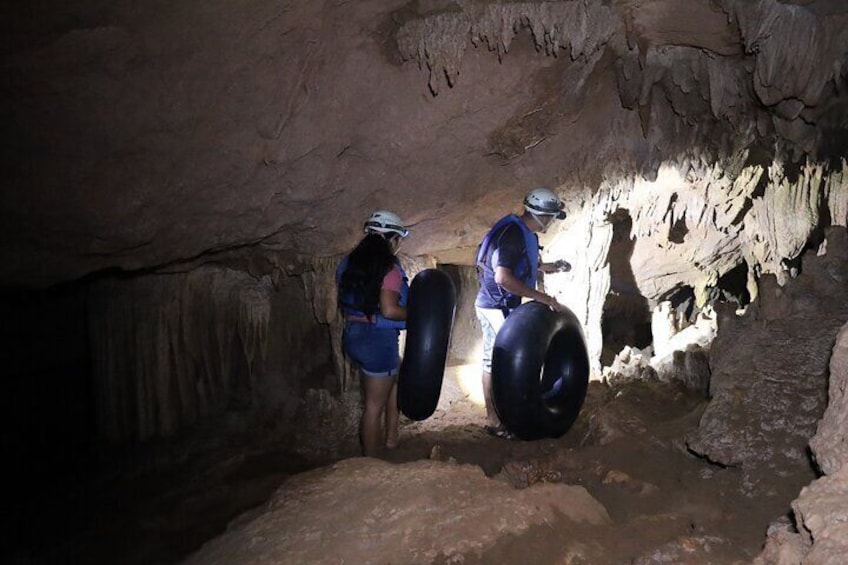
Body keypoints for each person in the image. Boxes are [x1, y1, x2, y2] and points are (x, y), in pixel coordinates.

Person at [475, 187, 570, 439]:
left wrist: (553, 267)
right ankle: (495, 419)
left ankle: (507, 415)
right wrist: (542, 297)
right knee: (498, 362)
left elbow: (527, 264)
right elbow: (503, 277)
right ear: (541, 215)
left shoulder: (524, 232)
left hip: (507, 304)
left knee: (502, 361)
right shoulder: (513, 234)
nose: (552, 222)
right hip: (495, 305)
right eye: (551, 217)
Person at [337, 210, 410, 456]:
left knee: (394, 375)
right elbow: (389, 310)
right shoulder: (388, 268)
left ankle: (391, 437)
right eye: (398, 240)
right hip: (377, 341)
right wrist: (418, 314)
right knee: (373, 407)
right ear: (392, 239)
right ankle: (371, 465)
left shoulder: (348, 263)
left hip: (354, 336)